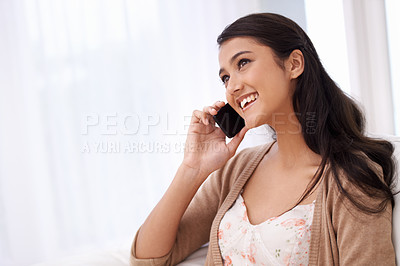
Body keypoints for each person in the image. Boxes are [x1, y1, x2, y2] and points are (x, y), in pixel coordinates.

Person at [130, 13, 397, 265]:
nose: (232, 86)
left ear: (294, 64)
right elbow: (148, 259)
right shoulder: (238, 170)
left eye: (243, 63)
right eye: (225, 77)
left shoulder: (351, 179)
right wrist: (192, 169)